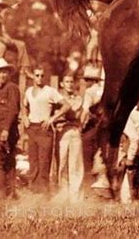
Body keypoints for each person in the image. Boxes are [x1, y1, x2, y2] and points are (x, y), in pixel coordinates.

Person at [22, 66, 70, 195]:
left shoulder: (50, 91)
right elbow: (24, 105)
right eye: (37, 75)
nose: (39, 78)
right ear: (33, 76)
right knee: (33, 161)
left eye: (42, 75)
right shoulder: (28, 91)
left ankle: (43, 195)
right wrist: (25, 116)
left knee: (44, 162)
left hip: (44, 130)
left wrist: (52, 119)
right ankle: (33, 192)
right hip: (32, 128)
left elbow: (66, 105)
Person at [0, 58, 20, 199]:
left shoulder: (11, 87)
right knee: (7, 162)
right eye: (0, 73)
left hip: (7, 132)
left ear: (8, 74)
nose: (2, 75)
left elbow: (13, 110)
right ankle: (10, 195)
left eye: (5, 72)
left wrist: (5, 129)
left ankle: (0, 197)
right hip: (0, 131)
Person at [55, 73, 84, 202]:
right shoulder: (57, 97)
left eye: (71, 82)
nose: (70, 84)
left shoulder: (78, 98)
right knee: (61, 163)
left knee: (75, 165)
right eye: (67, 82)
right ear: (62, 84)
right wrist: (60, 113)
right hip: (61, 131)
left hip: (74, 131)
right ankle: (63, 194)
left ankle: (75, 198)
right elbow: (54, 112)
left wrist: (60, 112)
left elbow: (73, 113)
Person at [0, 0, 31, 74]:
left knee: (21, 44)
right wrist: (2, 39)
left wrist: (8, 39)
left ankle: (24, 68)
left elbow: (3, 32)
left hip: (0, 38)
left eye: (0, 7)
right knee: (2, 47)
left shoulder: (0, 18)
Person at [80, 65, 105, 192]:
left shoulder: (90, 92)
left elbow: (86, 111)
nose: (85, 82)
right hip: (105, 126)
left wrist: (81, 125)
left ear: (92, 80)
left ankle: (87, 185)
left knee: (86, 154)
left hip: (93, 125)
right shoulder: (104, 90)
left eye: (87, 80)